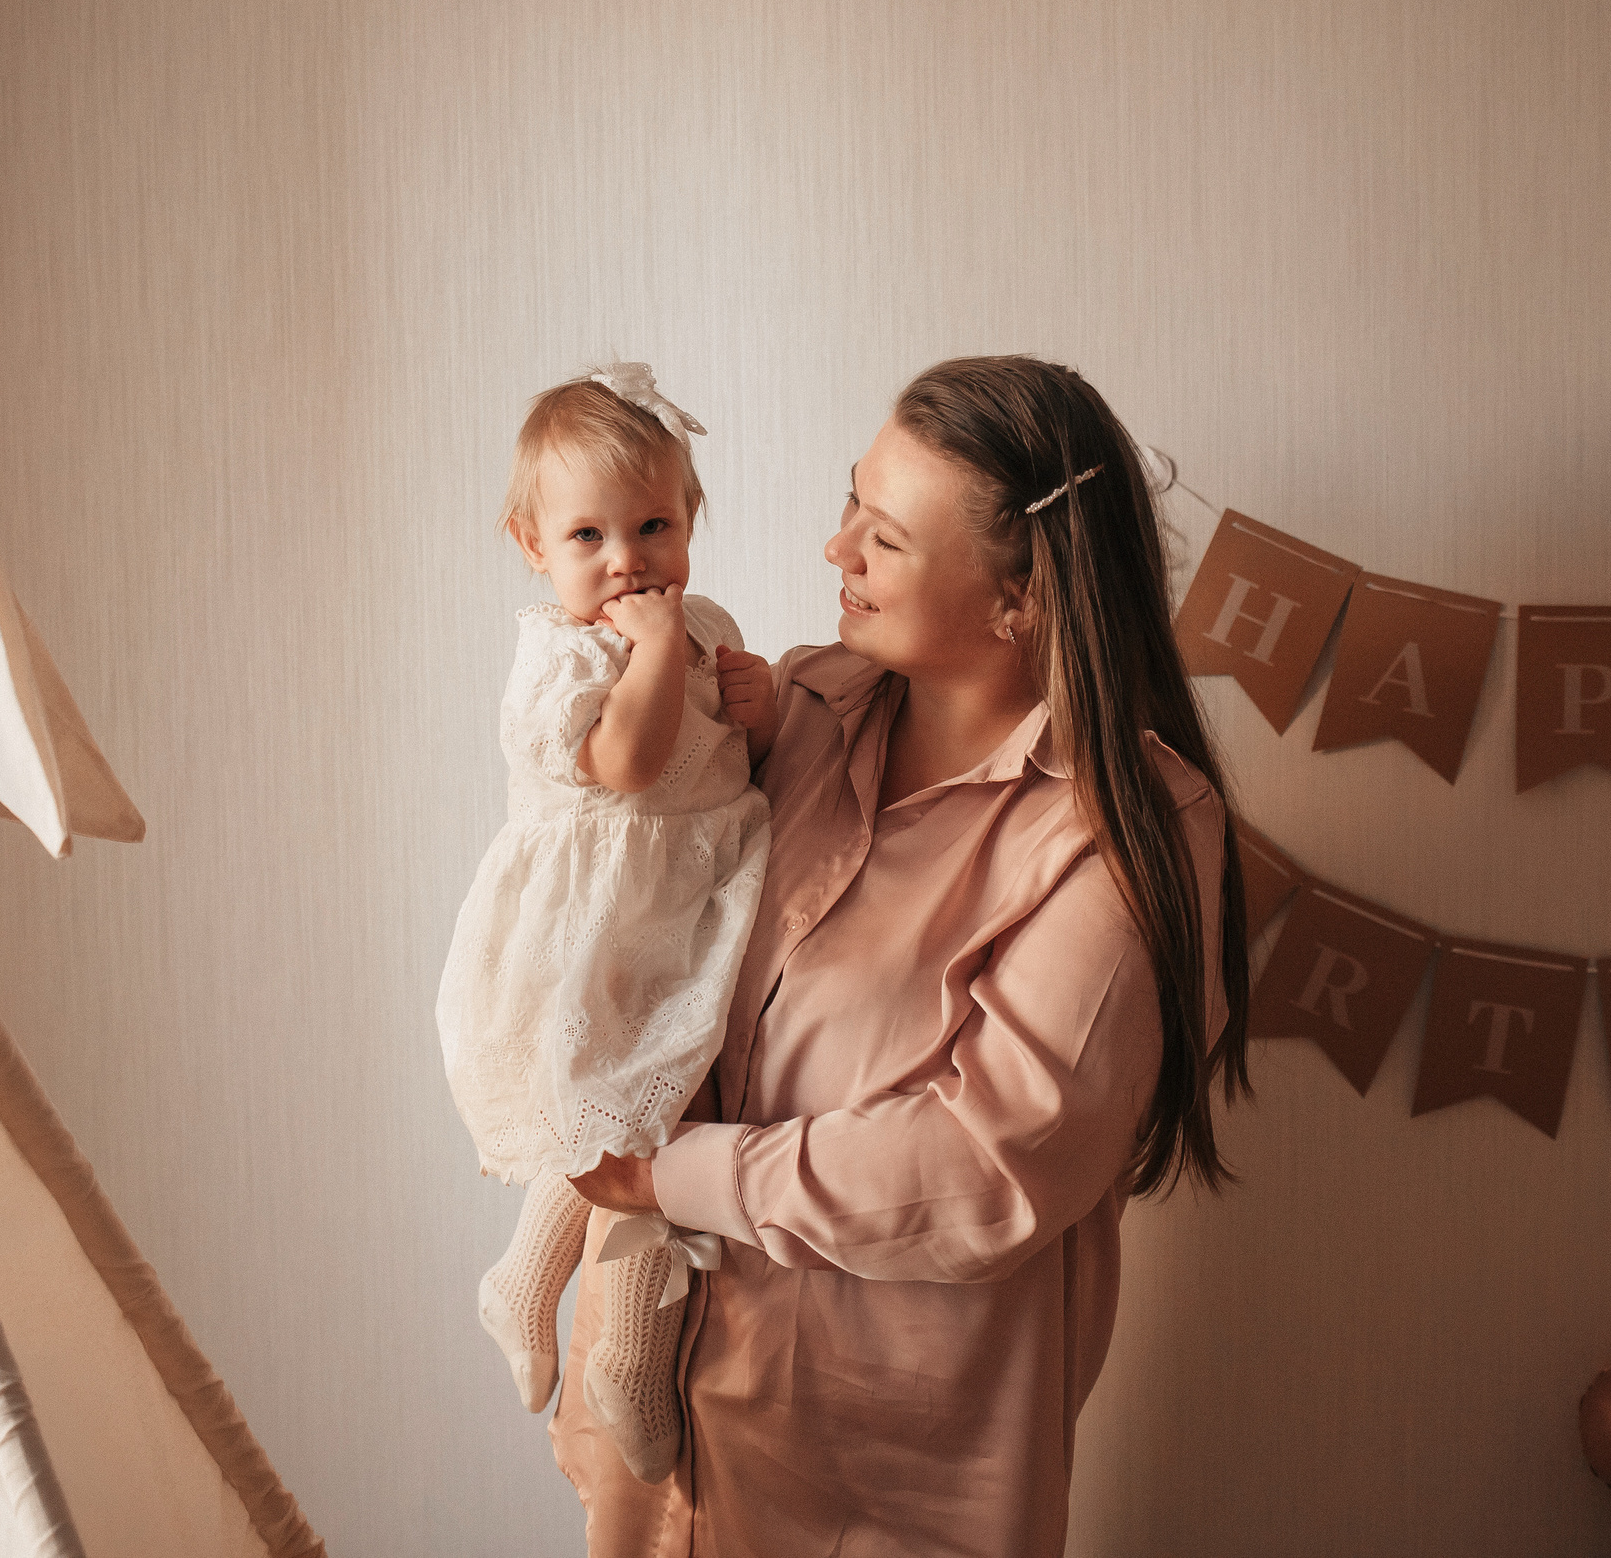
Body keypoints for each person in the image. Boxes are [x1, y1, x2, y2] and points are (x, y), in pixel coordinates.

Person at [557, 355, 1251, 1556]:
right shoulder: (797, 714)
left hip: (875, 1472)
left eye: (883, 538)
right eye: (847, 507)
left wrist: (677, 1175)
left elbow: (985, 1167)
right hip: (661, 1420)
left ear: (1016, 601)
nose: (835, 554)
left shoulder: (1118, 831)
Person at [435, 363, 774, 1486]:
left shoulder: (699, 623)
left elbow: (724, 755)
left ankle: (546, 1298)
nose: (627, 559)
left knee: (642, 1120)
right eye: (588, 535)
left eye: (654, 525)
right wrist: (663, 653)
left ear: (690, 523)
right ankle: (609, 1343)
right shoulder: (562, 652)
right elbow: (627, 765)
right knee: (623, 1125)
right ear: (533, 546)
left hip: (684, 909)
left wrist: (754, 701)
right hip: (594, 926)